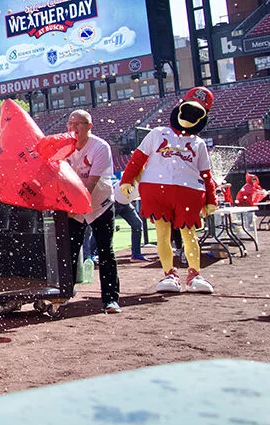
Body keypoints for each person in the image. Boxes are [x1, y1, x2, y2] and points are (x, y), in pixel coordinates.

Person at [119, 87, 218, 294]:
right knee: (162, 234)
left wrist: (211, 199)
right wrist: (126, 180)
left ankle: (194, 274)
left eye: (196, 113)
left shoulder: (198, 143)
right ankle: (169, 274)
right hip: (157, 190)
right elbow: (138, 159)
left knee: (189, 234)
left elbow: (206, 174)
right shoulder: (157, 133)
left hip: (189, 191)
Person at [64, 110, 121, 314]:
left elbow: (91, 183)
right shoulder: (65, 148)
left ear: (89, 126)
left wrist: (74, 207)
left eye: (78, 124)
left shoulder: (100, 147)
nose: (73, 128)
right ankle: (64, 293)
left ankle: (110, 299)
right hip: (75, 208)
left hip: (100, 205)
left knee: (106, 250)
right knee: (68, 250)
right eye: (70, 124)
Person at [113, 180, 149, 261]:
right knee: (104, 227)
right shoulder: (139, 177)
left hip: (125, 203)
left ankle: (136, 254)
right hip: (113, 201)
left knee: (137, 224)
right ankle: (91, 254)